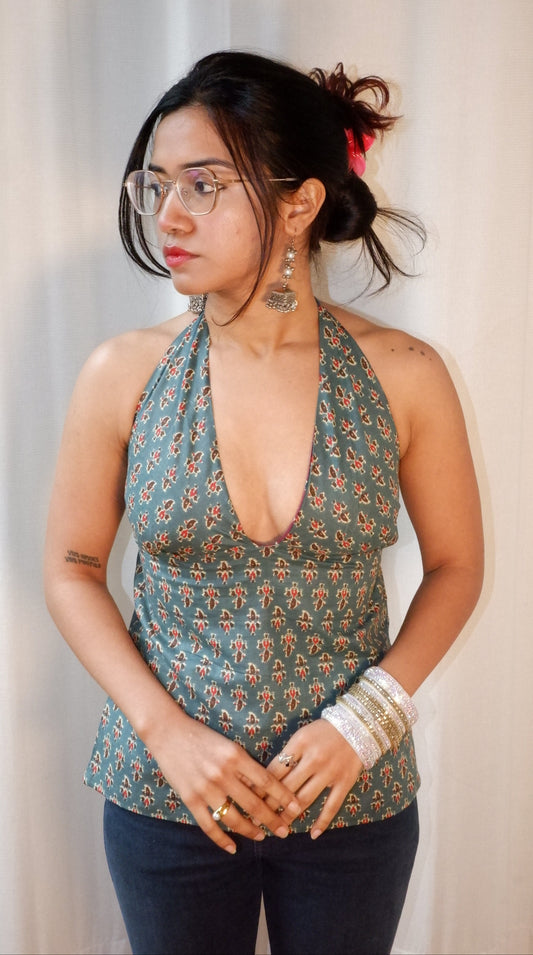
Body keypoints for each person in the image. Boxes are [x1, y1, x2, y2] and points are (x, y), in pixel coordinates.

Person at [44, 50, 484, 955]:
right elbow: (71, 565)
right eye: (156, 184)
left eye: (203, 184)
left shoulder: (404, 375)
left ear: (299, 202)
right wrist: (166, 733)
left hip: (347, 798)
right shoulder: (121, 374)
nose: (169, 214)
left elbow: (455, 565)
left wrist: (363, 722)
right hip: (167, 795)